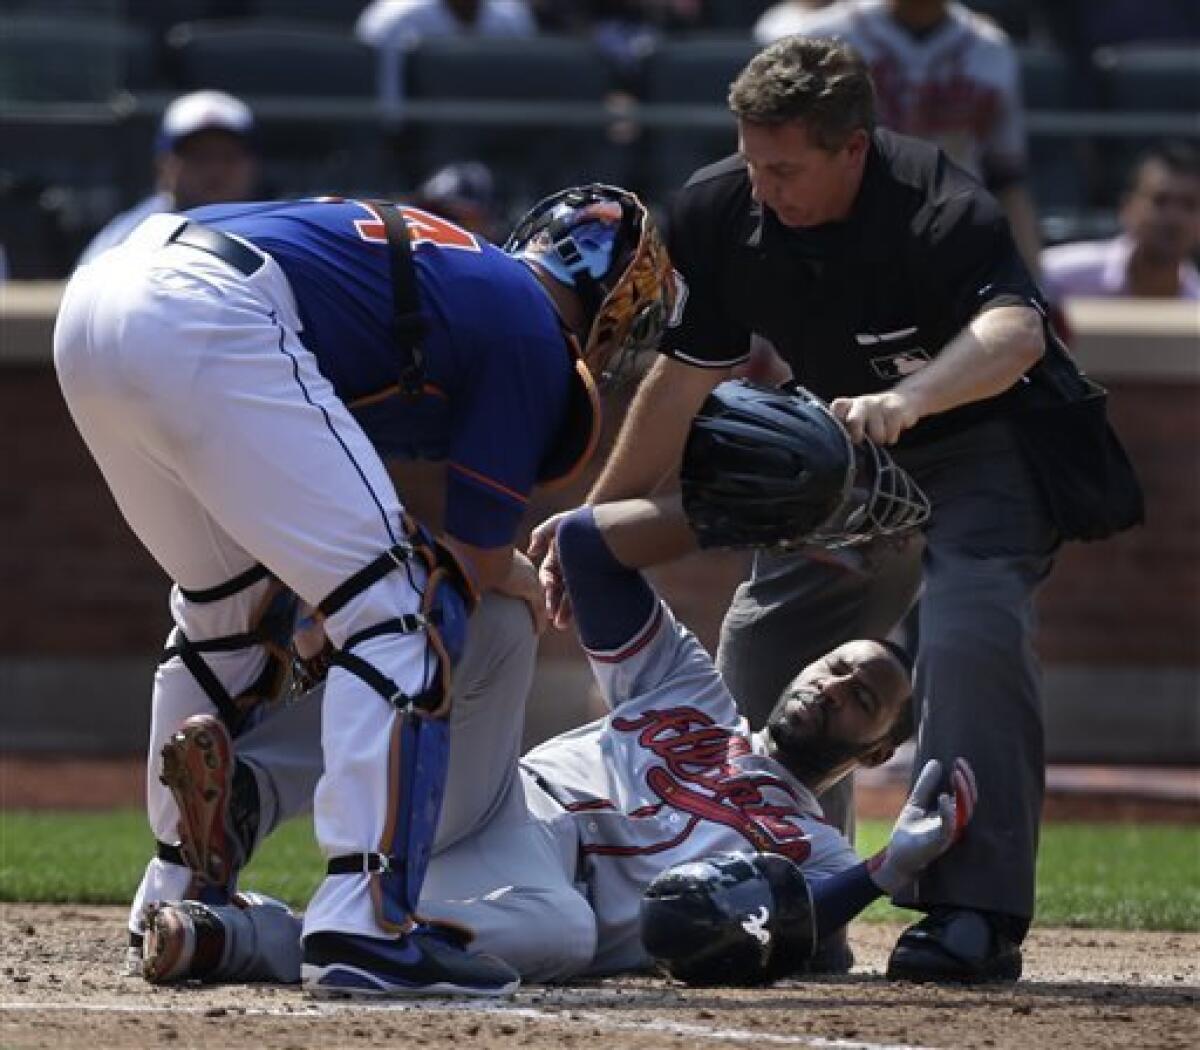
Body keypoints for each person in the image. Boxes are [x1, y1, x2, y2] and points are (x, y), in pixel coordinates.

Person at [528, 36, 1121, 984]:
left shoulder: (938, 203)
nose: (763, 187)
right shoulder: (724, 207)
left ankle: (973, 911)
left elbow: (1016, 332)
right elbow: (683, 382)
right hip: (843, 455)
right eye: (753, 160)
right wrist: (591, 526)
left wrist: (916, 396)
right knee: (762, 653)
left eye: (787, 167)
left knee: (968, 625)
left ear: (853, 148)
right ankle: (771, 906)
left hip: (986, 441)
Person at [53, 183, 676, 997]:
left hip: (101, 296)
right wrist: (523, 579)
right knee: (407, 610)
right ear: (614, 300)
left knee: (227, 613)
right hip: (210, 313)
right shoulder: (531, 326)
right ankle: (364, 924)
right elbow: (478, 557)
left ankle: (175, 890)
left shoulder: (465, 270)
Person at [134, 490, 976, 988]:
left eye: (864, 698)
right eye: (834, 669)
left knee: (564, 930)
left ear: (874, 751)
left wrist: (884, 871)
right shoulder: (691, 689)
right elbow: (583, 546)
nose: (835, 688)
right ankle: (248, 793)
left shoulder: (815, 848)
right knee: (499, 612)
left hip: (533, 890)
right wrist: (721, 510)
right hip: (496, 793)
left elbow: (796, 923)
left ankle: (230, 936)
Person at [754, 0, 1043, 272]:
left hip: (951, 242)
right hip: (844, 242)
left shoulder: (990, 49)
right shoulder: (823, 38)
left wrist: (1036, 283)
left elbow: (1007, 179)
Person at [77, 91, 257, 266]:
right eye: (199, 157)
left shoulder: (276, 226)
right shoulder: (130, 236)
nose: (215, 169)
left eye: (229, 157)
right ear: (164, 164)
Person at [1041, 142, 1200, 301]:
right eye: (1160, 201)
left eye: (1189, 205)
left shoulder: (1196, 300)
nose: (1174, 217)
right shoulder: (1055, 275)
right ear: (1127, 208)